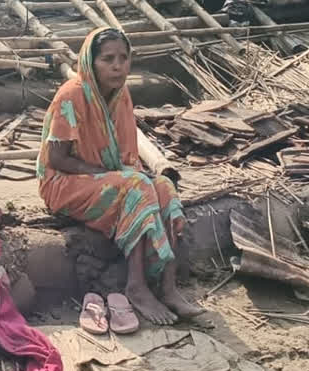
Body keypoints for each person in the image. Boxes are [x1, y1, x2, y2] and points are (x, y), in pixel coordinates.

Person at [36, 26, 202, 324]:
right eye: (108, 59)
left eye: (123, 58)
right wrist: (102, 174)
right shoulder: (71, 96)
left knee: (163, 186)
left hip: (108, 178)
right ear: (90, 61)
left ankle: (168, 287)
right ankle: (136, 286)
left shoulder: (120, 95)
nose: (117, 66)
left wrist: (123, 176)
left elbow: (128, 156)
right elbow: (56, 159)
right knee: (136, 185)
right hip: (63, 183)